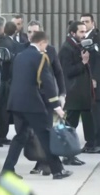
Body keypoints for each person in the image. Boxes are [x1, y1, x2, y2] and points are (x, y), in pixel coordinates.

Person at [2, 31, 73, 180]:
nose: (45, 48)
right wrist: (56, 106)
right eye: (45, 45)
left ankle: (7, 169)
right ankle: (58, 170)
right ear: (41, 43)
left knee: (20, 137)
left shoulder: (19, 56)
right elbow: (47, 83)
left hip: (16, 102)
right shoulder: (41, 57)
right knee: (45, 136)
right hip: (32, 104)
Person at [25, 20, 66, 175]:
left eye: (35, 31)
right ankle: (40, 161)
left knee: (45, 130)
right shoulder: (24, 50)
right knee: (32, 132)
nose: (31, 34)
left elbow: (58, 72)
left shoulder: (51, 50)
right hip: (31, 98)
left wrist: (62, 93)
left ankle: (44, 163)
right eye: (29, 32)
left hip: (47, 98)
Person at [59, 21, 95, 165]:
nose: (84, 34)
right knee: (70, 127)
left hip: (80, 94)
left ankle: (71, 155)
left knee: (74, 127)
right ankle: (68, 156)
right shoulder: (66, 48)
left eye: (85, 31)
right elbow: (67, 71)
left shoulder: (77, 45)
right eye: (81, 32)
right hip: (74, 94)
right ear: (73, 33)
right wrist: (83, 62)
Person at [80, 13, 100, 153]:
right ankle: (92, 141)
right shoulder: (83, 37)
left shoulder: (96, 37)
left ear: (93, 23)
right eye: (82, 22)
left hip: (94, 79)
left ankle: (96, 142)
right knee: (90, 112)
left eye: (87, 21)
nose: (85, 24)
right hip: (84, 80)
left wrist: (95, 78)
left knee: (96, 112)